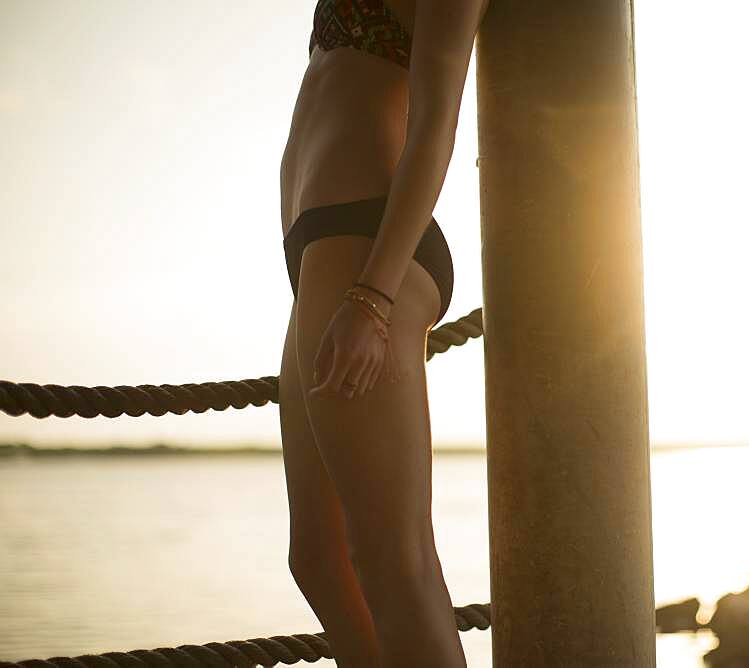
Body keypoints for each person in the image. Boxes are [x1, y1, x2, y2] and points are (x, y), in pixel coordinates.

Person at [277, 1, 490, 666]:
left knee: (393, 557)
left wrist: (372, 296)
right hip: (323, 247)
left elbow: (435, 127)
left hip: (369, 246)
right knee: (318, 558)